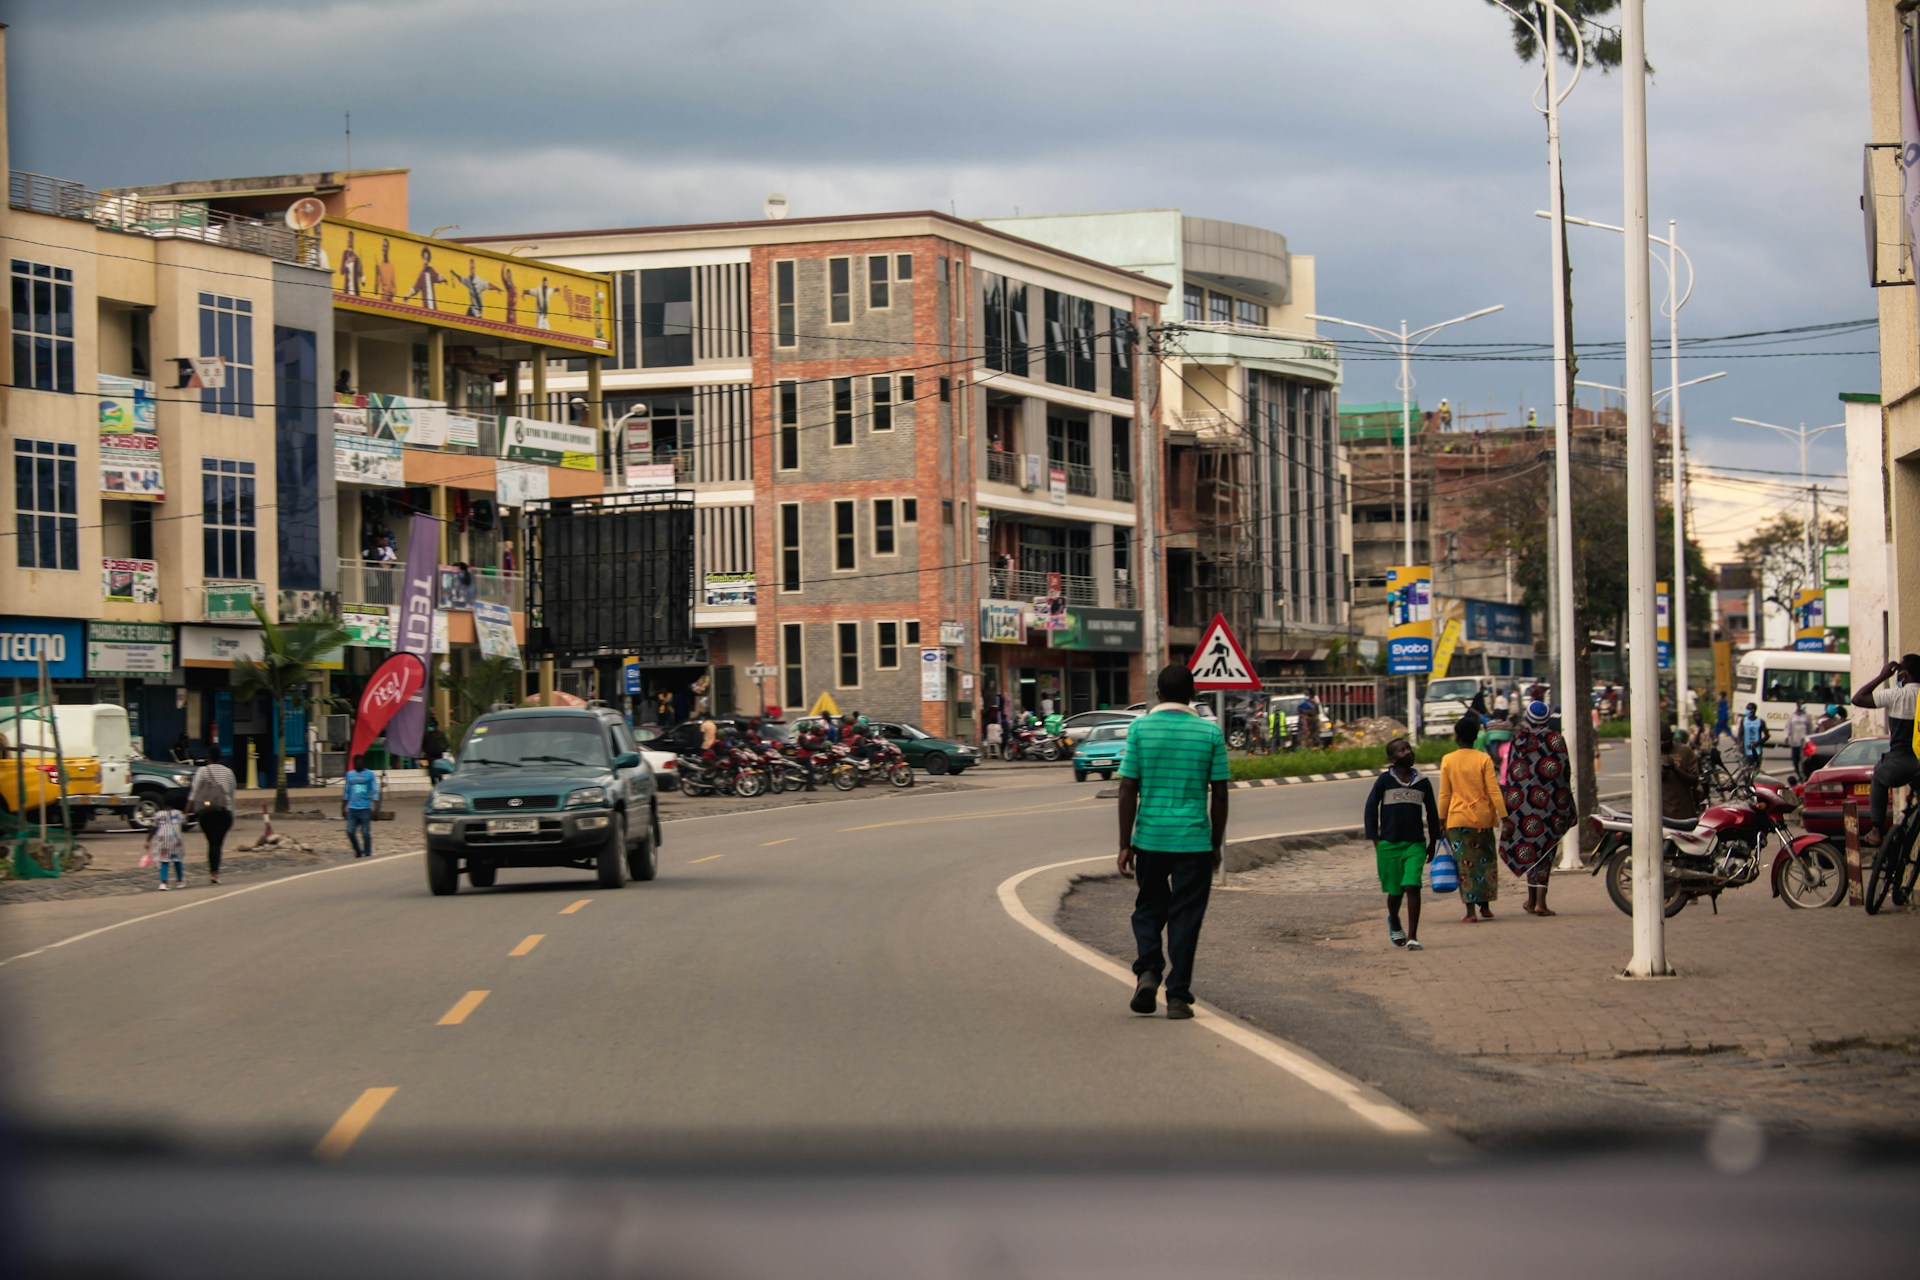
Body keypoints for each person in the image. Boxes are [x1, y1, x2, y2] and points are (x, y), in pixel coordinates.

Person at [1117, 663, 1230, 1020]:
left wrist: (1125, 842)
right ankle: (1178, 996)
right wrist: (1215, 843)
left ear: (1158, 695)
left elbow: (1127, 787)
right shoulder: (1209, 733)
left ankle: (1149, 970)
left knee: (1149, 907)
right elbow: (1221, 794)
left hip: (1149, 839)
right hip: (1193, 843)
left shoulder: (1140, 728)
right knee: (1186, 917)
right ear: (1193, 695)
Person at [1363, 737, 1440, 950]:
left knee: (1412, 885)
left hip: (1415, 844)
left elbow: (1432, 813)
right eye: (1401, 750)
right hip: (1389, 844)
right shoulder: (1385, 781)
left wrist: (1434, 840)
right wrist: (1376, 839)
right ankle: (1394, 920)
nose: (1407, 752)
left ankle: (1413, 936)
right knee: (1395, 891)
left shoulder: (1422, 782)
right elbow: (1371, 809)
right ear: (1391, 758)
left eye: (1408, 748)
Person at [1499, 701, 1576, 917]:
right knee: (1546, 851)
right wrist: (1566, 801)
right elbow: (1564, 771)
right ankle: (1539, 903)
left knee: (1529, 847)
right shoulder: (1556, 739)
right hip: (1551, 803)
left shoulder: (1520, 739)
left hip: (1523, 804)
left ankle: (1533, 900)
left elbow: (1512, 773)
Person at [1437, 711, 1507, 922]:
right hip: (1483, 819)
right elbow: (1494, 790)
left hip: (1457, 821)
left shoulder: (1448, 760)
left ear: (1456, 737)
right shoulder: (1483, 759)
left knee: (1465, 866)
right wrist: (1505, 816)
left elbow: (1444, 794)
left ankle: (1470, 912)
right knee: (1485, 863)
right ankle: (1485, 907)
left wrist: (1441, 821)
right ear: (1476, 737)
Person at [1852, 655, 1920, 848]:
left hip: (1899, 761)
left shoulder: (1896, 695)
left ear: (1904, 675)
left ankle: (1876, 831)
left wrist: (1882, 677)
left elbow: (1858, 698)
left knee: (1879, 777)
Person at [187, 748, 237, 885]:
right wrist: (232, 813)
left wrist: (188, 810)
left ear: (208, 757)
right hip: (224, 813)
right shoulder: (228, 772)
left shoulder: (202, 771)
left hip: (207, 814)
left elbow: (194, 792)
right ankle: (215, 873)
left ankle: (213, 872)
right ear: (220, 757)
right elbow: (232, 795)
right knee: (218, 844)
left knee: (212, 842)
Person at [1660, 724, 1703, 822]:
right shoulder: (1650, 752)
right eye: (1659, 740)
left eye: (1665, 739)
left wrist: (1675, 769)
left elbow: (1694, 780)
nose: (1662, 743)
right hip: (1661, 813)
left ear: (1671, 736)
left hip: (1683, 812)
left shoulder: (1685, 751)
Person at [342, 754, 380, 859]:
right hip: (352, 809)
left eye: (360, 761)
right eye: (356, 762)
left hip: (365, 809)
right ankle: (358, 850)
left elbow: (375, 791)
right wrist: (343, 807)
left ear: (363, 763)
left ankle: (368, 854)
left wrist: (376, 808)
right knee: (349, 831)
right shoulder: (350, 775)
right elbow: (347, 792)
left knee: (365, 833)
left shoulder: (370, 774)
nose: (358, 763)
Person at [146, 796, 187, 891]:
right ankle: (180, 881)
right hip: (176, 842)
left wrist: (148, 840)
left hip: (163, 842)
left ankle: (163, 883)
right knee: (177, 860)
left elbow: (153, 828)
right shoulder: (178, 813)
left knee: (164, 861)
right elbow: (185, 823)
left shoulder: (158, 814)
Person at [1739, 702, 1769, 772]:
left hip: (1757, 751)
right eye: (1747, 709)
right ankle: (1748, 782)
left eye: (1749, 709)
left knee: (1756, 771)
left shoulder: (1760, 721)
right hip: (1746, 750)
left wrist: (1757, 743)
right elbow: (1740, 734)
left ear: (1754, 710)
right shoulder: (1744, 721)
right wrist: (1740, 745)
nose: (1748, 711)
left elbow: (1767, 736)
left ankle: (1755, 782)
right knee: (1746, 771)